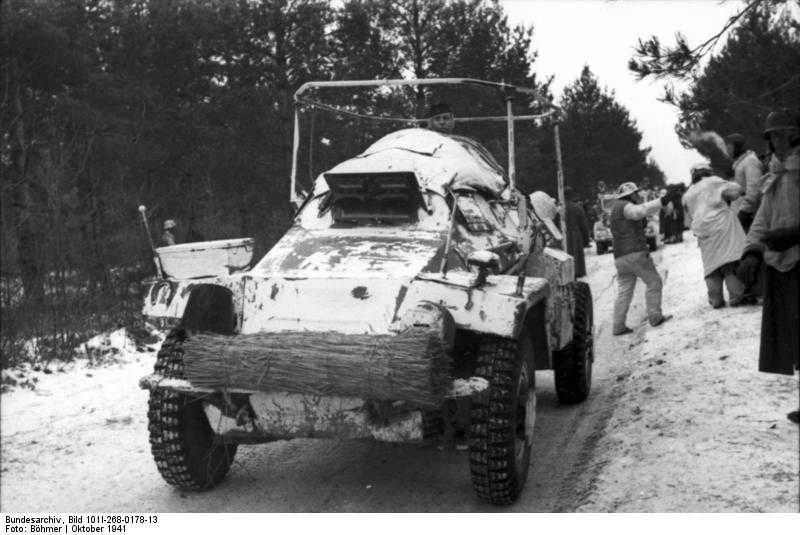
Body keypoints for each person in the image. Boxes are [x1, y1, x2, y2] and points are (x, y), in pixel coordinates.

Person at [736, 109, 800, 424]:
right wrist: (751, 251)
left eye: (777, 134)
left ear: (793, 133)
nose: (773, 141)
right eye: (770, 136)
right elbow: (762, 218)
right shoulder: (775, 172)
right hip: (781, 265)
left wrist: (795, 234)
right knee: (794, 335)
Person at [610, 181, 674, 335]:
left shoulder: (614, 209)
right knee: (654, 282)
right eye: (636, 193)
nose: (638, 196)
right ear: (630, 195)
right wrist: (661, 201)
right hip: (635, 253)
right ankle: (655, 317)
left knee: (624, 291)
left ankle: (618, 326)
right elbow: (638, 212)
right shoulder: (625, 205)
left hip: (620, 257)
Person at [682, 162, 748, 308]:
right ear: (707, 171)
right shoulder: (713, 182)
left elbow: (687, 220)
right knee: (729, 261)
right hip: (722, 226)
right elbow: (736, 190)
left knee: (711, 265)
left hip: (703, 233)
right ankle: (736, 295)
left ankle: (715, 298)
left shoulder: (687, 194)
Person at [725, 133, 764, 233]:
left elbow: (754, 190)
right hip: (739, 213)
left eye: (729, 147)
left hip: (749, 217)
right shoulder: (739, 164)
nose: (727, 151)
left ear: (737, 146)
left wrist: (744, 212)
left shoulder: (750, 161)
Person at [563, 187, 591, 277]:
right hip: (576, 235)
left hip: (564, 235)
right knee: (576, 256)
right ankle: (577, 272)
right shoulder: (577, 207)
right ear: (571, 195)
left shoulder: (560, 208)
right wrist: (586, 240)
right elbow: (584, 225)